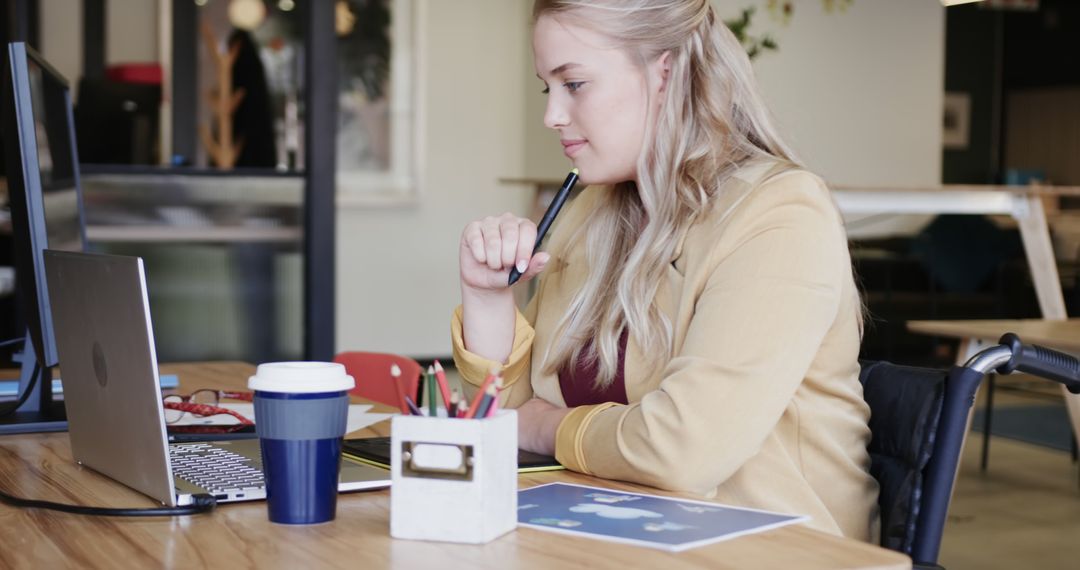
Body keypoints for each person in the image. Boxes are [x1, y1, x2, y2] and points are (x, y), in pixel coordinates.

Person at [451, 0, 878, 541]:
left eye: (575, 84)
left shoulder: (781, 216)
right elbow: (501, 420)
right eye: (547, 88)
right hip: (611, 537)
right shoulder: (592, 214)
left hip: (765, 549)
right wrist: (488, 298)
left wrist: (546, 425)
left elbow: (683, 450)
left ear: (666, 72)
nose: (553, 115)